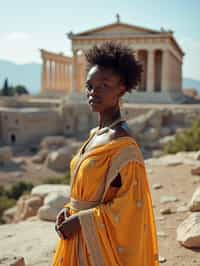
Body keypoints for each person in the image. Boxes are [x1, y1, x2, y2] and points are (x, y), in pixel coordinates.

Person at [52, 42, 159, 266]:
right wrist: (68, 210)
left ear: (122, 87)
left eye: (103, 84)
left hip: (98, 249)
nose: (93, 92)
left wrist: (82, 221)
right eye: (89, 85)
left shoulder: (123, 144)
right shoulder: (96, 134)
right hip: (77, 240)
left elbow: (130, 208)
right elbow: (87, 192)